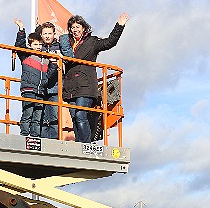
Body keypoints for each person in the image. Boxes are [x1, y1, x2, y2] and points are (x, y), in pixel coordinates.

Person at [59, 13, 129, 143]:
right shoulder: (67, 44)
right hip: (71, 87)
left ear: (84, 28)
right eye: (72, 27)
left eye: (78, 26)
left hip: (86, 85)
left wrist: (119, 25)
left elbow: (110, 42)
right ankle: (79, 143)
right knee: (75, 117)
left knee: (81, 115)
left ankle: (85, 144)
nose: (75, 29)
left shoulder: (92, 42)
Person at [13, 18, 57, 137]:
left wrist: (53, 63)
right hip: (28, 90)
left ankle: (35, 137)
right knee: (28, 114)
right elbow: (19, 45)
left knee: (38, 116)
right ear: (30, 45)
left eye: (40, 45)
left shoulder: (46, 59)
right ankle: (25, 135)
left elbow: (49, 75)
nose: (38, 47)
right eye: (35, 44)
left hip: (41, 91)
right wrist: (21, 29)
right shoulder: (26, 55)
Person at [34, 21, 61, 139]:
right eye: (45, 33)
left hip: (55, 86)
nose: (47, 36)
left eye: (50, 33)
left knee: (54, 115)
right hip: (42, 85)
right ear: (41, 35)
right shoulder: (39, 48)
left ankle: (54, 141)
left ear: (54, 34)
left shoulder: (60, 47)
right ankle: (44, 140)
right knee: (42, 115)